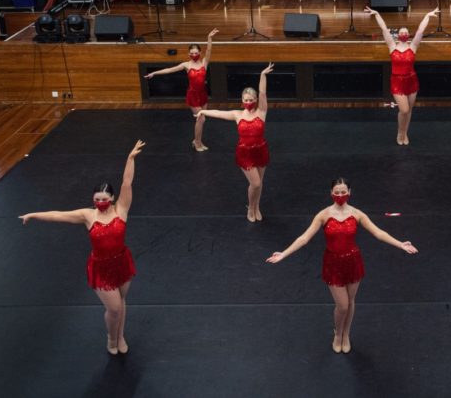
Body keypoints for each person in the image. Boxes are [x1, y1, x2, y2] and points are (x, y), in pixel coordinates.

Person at [19, 140, 145, 355]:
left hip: (122, 262)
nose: (101, 202)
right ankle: (111, 338)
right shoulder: (87, 215)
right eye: (97, 199)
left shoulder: (121, 209)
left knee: (122, 302)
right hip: (101, 267)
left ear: (112, 198)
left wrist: (130, 158)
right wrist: (34, 215)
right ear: (93, 200)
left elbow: (126, 183)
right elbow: (59, 215)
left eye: (105, 199)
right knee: (113, 308)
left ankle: (120, 336)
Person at [266, 177, 418, 353]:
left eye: (343, 192)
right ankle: (337, 333)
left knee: (351, 301)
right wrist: (284, 253)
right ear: (331, 193)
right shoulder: (323, 215)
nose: (340, 195)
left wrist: (400, 244)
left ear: (349, 193)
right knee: (343, 305)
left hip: (352, 261)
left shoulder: (357, 214)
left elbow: (378, 233)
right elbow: (304, 238)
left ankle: (346, 333)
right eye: (336, 192)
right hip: (333, 263)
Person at [196, 64, 274, 222]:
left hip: (261, 150)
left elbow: (263, 92)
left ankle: (257, 206)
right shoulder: (237, 114)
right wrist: (203, 111)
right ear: (242, 100)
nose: (249, 102)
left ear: (256, 100)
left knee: (260, 183)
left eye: (251, 100)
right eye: (246, 100)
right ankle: (250, 208)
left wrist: (262, 75)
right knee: (256, 183)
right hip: (245, 153)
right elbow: (219, 113)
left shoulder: (262, 112)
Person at [366, 6, 439, 145]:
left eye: (406, 32)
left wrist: (428, 16)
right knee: (403, 110)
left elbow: (420, 30)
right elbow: (384, 29)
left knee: (409, 110)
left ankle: (405, 133)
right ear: (398, 35)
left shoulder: (413, 47)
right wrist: (376, 13)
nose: (404, 33)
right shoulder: (392, 46)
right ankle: (400, 131)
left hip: (411, 80)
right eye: (402, 32)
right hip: (397, 81)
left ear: (408, 35)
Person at [144, 29, 219, 151]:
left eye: (196, 52)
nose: (194, 55)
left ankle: (197, 140)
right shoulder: (186, 65)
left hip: (203, 94)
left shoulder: (205, 62)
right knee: (201, 118)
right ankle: (197, 143)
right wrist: (154, 73)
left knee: (201, 121)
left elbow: (209, 50)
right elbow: (169, 70)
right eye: (191, 53)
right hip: (193, 95)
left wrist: (209, 38)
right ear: (189, 54)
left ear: (200, 52)